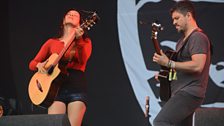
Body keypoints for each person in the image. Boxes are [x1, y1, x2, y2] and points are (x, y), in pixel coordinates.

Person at [152, 1, 211, 126]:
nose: (174, 22)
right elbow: (179, 71)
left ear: (188, 16)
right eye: (173, 19)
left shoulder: (198, 38)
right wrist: (165, 77)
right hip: (182, 92)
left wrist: (169, 63)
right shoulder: (181, 42)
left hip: (189, 92)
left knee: (160, 122)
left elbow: (197, 66)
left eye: (177, 18)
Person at [29, 9, 92, 126]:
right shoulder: (51, 42)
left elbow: (83, 60)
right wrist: (39, 65)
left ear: (80, 24)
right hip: (55, 88)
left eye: (75, 15)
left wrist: (78, 40)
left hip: (76, 86)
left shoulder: (85, 42)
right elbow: (32, 63)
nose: (72, 15)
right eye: (69, 14)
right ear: (63, 21)